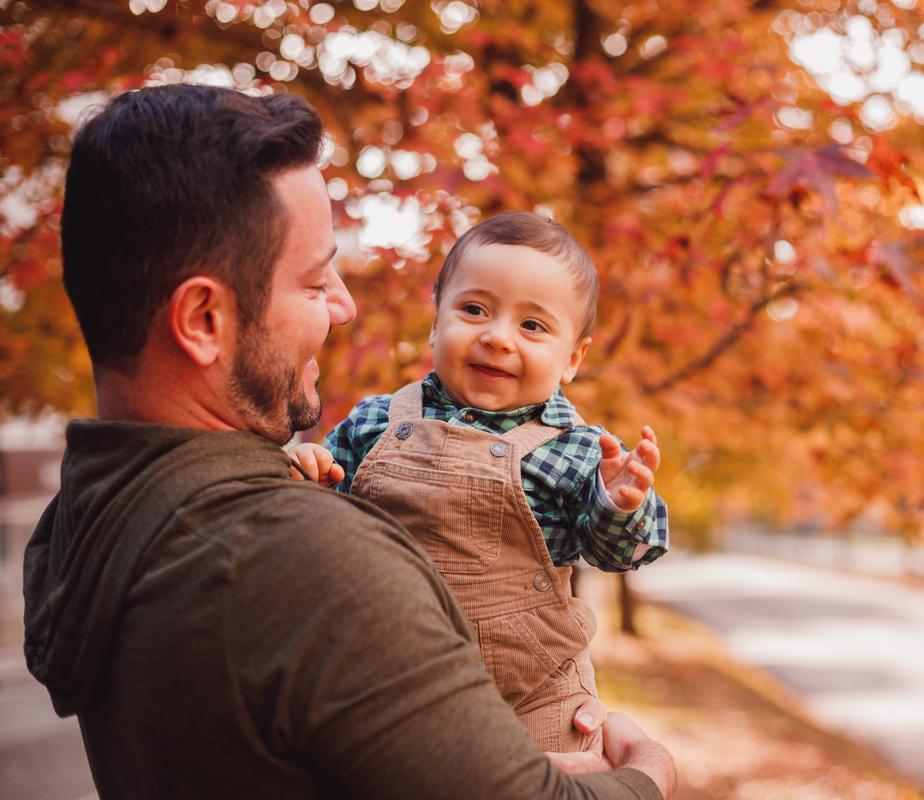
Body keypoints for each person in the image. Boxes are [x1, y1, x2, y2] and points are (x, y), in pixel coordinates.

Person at [22, 84, 674, 800]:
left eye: (532, 326)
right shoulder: (309, 562)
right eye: (314, 279)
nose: (346, 303)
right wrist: (647, 773)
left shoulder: (89, 513)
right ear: (203, 318)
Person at [288, 212, 669, 754]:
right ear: (435, 322)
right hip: (389, 684)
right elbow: (322, 524)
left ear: (573, 358)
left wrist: (619, 503)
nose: (497, 337)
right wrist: (311, 474)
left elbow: (621, 554)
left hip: (535, 697)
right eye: (473, 309)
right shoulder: (377, 420)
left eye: (532, 326)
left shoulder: (575, 449)